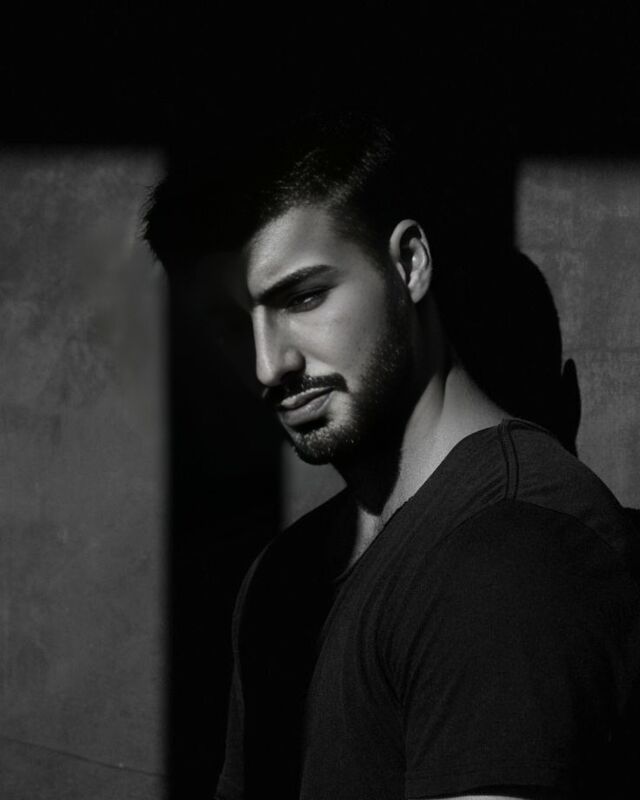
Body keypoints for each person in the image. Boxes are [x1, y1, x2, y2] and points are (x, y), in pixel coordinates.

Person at [144, 113, 640, 800]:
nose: (267, 365)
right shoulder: (283, 578)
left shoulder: (514, 560)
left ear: (409, 264)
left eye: (303, 297)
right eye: (232, 325)